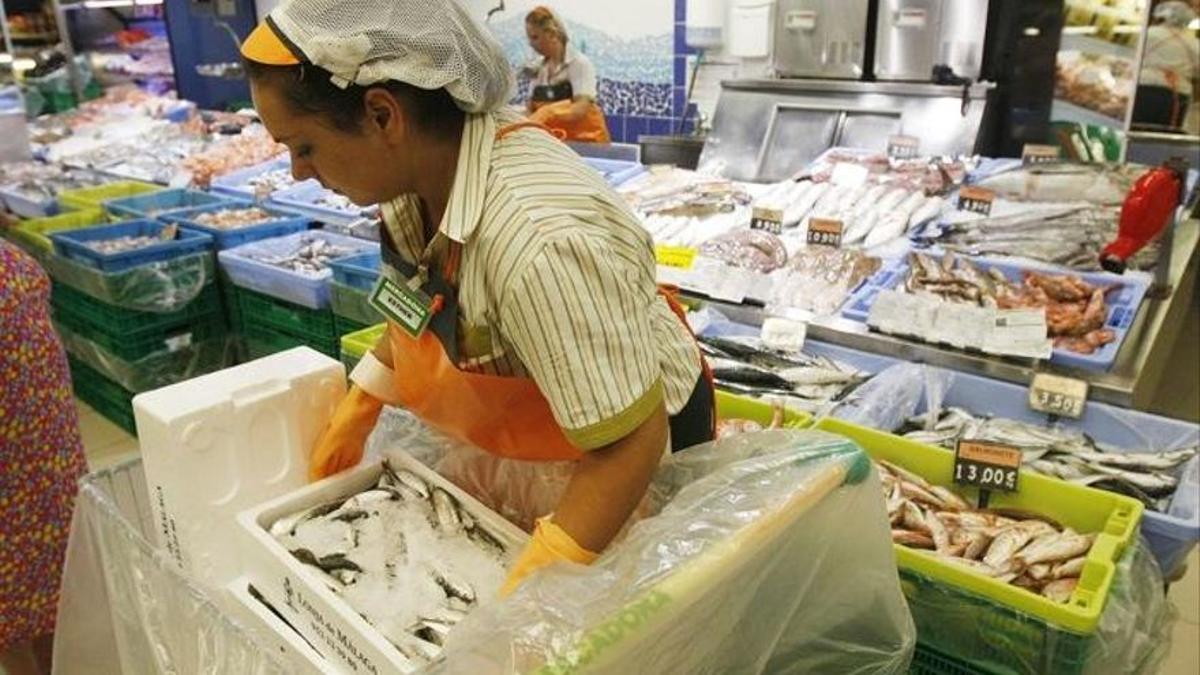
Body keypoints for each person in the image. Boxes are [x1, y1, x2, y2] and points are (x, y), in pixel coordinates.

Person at [240, 0, 713, 596]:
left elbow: (627, 445)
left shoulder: (537, 243)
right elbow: (420, 306)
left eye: (303, 147)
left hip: (629, 456)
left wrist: (534, 584)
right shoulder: (415, 182)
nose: (297, 174)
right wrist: (361, 402)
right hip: (548, 428)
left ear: (383, 116)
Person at [0, 238, 89, 675]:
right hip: (44, 465)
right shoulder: (13, 269)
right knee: (52, 580)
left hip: (34, 457)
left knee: (17, 606)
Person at [522, 6, 612, 143]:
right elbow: (530, 109)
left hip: (589, 146)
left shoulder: (580, 64)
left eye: (535, 37)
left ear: (552, 35)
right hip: (557, 145)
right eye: (529, 38)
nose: (531, 44)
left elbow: (580, 109)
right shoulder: (538, 69)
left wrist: (548, 112)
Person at [1133, 0, 1200, 129]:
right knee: (1162, 131)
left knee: (1136, 125)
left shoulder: (1148, 33)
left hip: (1141, 86)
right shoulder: (1194, 43)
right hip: (1176, 94)